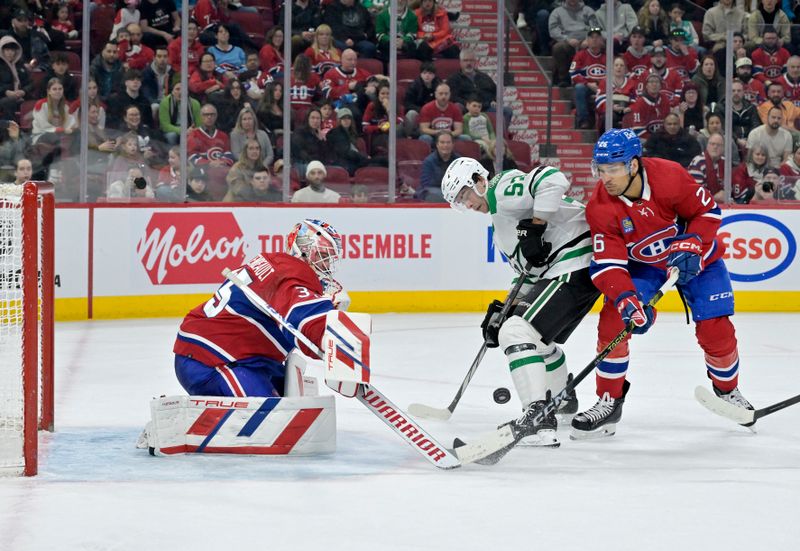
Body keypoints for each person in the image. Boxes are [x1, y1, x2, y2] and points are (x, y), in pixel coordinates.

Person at [571, 128, 755, 440]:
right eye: (601, 170)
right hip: (644, 268)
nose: (606, 178)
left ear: (633, 165)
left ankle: (727, 390)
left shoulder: (668, 176)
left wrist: (693, 242)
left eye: (613, 169)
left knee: (716, 328)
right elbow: (608, 264)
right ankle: (609, 400)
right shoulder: (600, 207)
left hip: (698, 259)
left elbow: (707, 212)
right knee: (615, 320)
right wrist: (627, 300)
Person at [439, 157, 598, 446]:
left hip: (576, 262)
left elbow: (552, 179)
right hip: (571, 269)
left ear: (478, 180)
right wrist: (506, 308)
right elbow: (529, 272)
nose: (468, 204)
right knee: (531, 337)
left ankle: (537, 420)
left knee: (516, 331)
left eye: (465, 194)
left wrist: (537, 226)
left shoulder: (500, 189)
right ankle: (561, 399)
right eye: (460, 202)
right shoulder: (500, 227)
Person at [172, 218, 346, 397]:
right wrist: (331, 338)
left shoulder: (277, 266)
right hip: (212, 360)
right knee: (271, 414)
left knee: (293, 399)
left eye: (328, 259)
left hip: (236, 355)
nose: (326, 265)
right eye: (322, 256)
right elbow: (299, 316)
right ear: (302, 250)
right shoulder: (290, 276)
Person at [548, 0, 596, 87]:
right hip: (567, 42)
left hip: (585, 41)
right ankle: (563, 78)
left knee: (596, 46)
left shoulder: (588, 10)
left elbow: (595, 28)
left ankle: (590, 78)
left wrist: (588, 39)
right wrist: (567, 39)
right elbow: (553, 30)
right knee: (558, 48)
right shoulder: (557, 12)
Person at [570, 27, 605, 129]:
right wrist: (588, 84)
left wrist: (601, 86)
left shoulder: (607, 57)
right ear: (587, 40)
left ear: (601, 40)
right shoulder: (580, 55)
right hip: (587, 86)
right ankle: (583, 120)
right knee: (579, 88)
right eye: (591, 37)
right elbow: (573, 74)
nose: (594, 39)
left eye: (597, 37)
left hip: (603, 87)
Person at [624, 73, 671, 140]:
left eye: (657, 82)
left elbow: (668, 123)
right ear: (646, 86)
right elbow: (638, 130)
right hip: (644, 139)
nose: (654, 84)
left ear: (660, 86)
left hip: (662, 138)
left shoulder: (664, 100)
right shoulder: (640, 103)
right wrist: (654, 141)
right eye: (651, 82)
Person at [187, 103, 235, 167]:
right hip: (201, 171)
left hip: (221, 169)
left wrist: (223, 163)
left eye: (212, 114)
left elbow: (228, 155)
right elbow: (192, 157)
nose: (209, 117)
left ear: (216, 116)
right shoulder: (193, 135)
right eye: (206, 115)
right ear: (201, 116)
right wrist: (210, 163)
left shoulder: (223, 136)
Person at [327, 107, 369, 175]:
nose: (346, 120)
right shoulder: (336, 133)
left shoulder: (354, 134)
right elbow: (346, 152)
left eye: (348, 118)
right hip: (343, 165)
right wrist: (364, 158)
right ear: (339, 120)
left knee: (380, 162)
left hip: (353, 161)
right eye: (343, 118)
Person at [419, 131, 459, 201]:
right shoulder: (428, 161)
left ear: (453, 144)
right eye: (442, 142)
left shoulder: (459, 161)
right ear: (437, 144)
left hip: (454, 192)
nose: (445, 145)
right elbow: (426, 184)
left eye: (448, 142)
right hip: (436, 192)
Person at [159, 80, 202, 145]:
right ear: (172, 92)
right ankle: (172, 153)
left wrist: (193, 131)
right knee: (171, 136)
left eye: (184, 89)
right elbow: (165, 126)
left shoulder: (195, 103)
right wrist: (183, 131)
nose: (181, 92)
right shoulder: (165, 103)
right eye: (177, 89)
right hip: (171, 130)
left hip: (190, 130)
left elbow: (199, 124)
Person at [0, 36, 32, 122]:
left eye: (12, 50)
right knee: (8, 102)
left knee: (35, 101)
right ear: (2, 51)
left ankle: (30, 129)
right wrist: (6, 92)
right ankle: (11, 128)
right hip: (3, 97)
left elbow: (30, 83)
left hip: (20, 96)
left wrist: (23, 91)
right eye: (7, 50)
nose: (10, 53)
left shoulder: (20, 65)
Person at [687, 132, 726, 202]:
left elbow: (729, 188)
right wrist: (714, 198)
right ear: (707, 145)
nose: (715, 147)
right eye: (712, 144)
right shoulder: (698, 162)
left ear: (723, 148)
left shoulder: (725, 163)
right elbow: (695, 193)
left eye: (719, 145)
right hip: (699, 205)